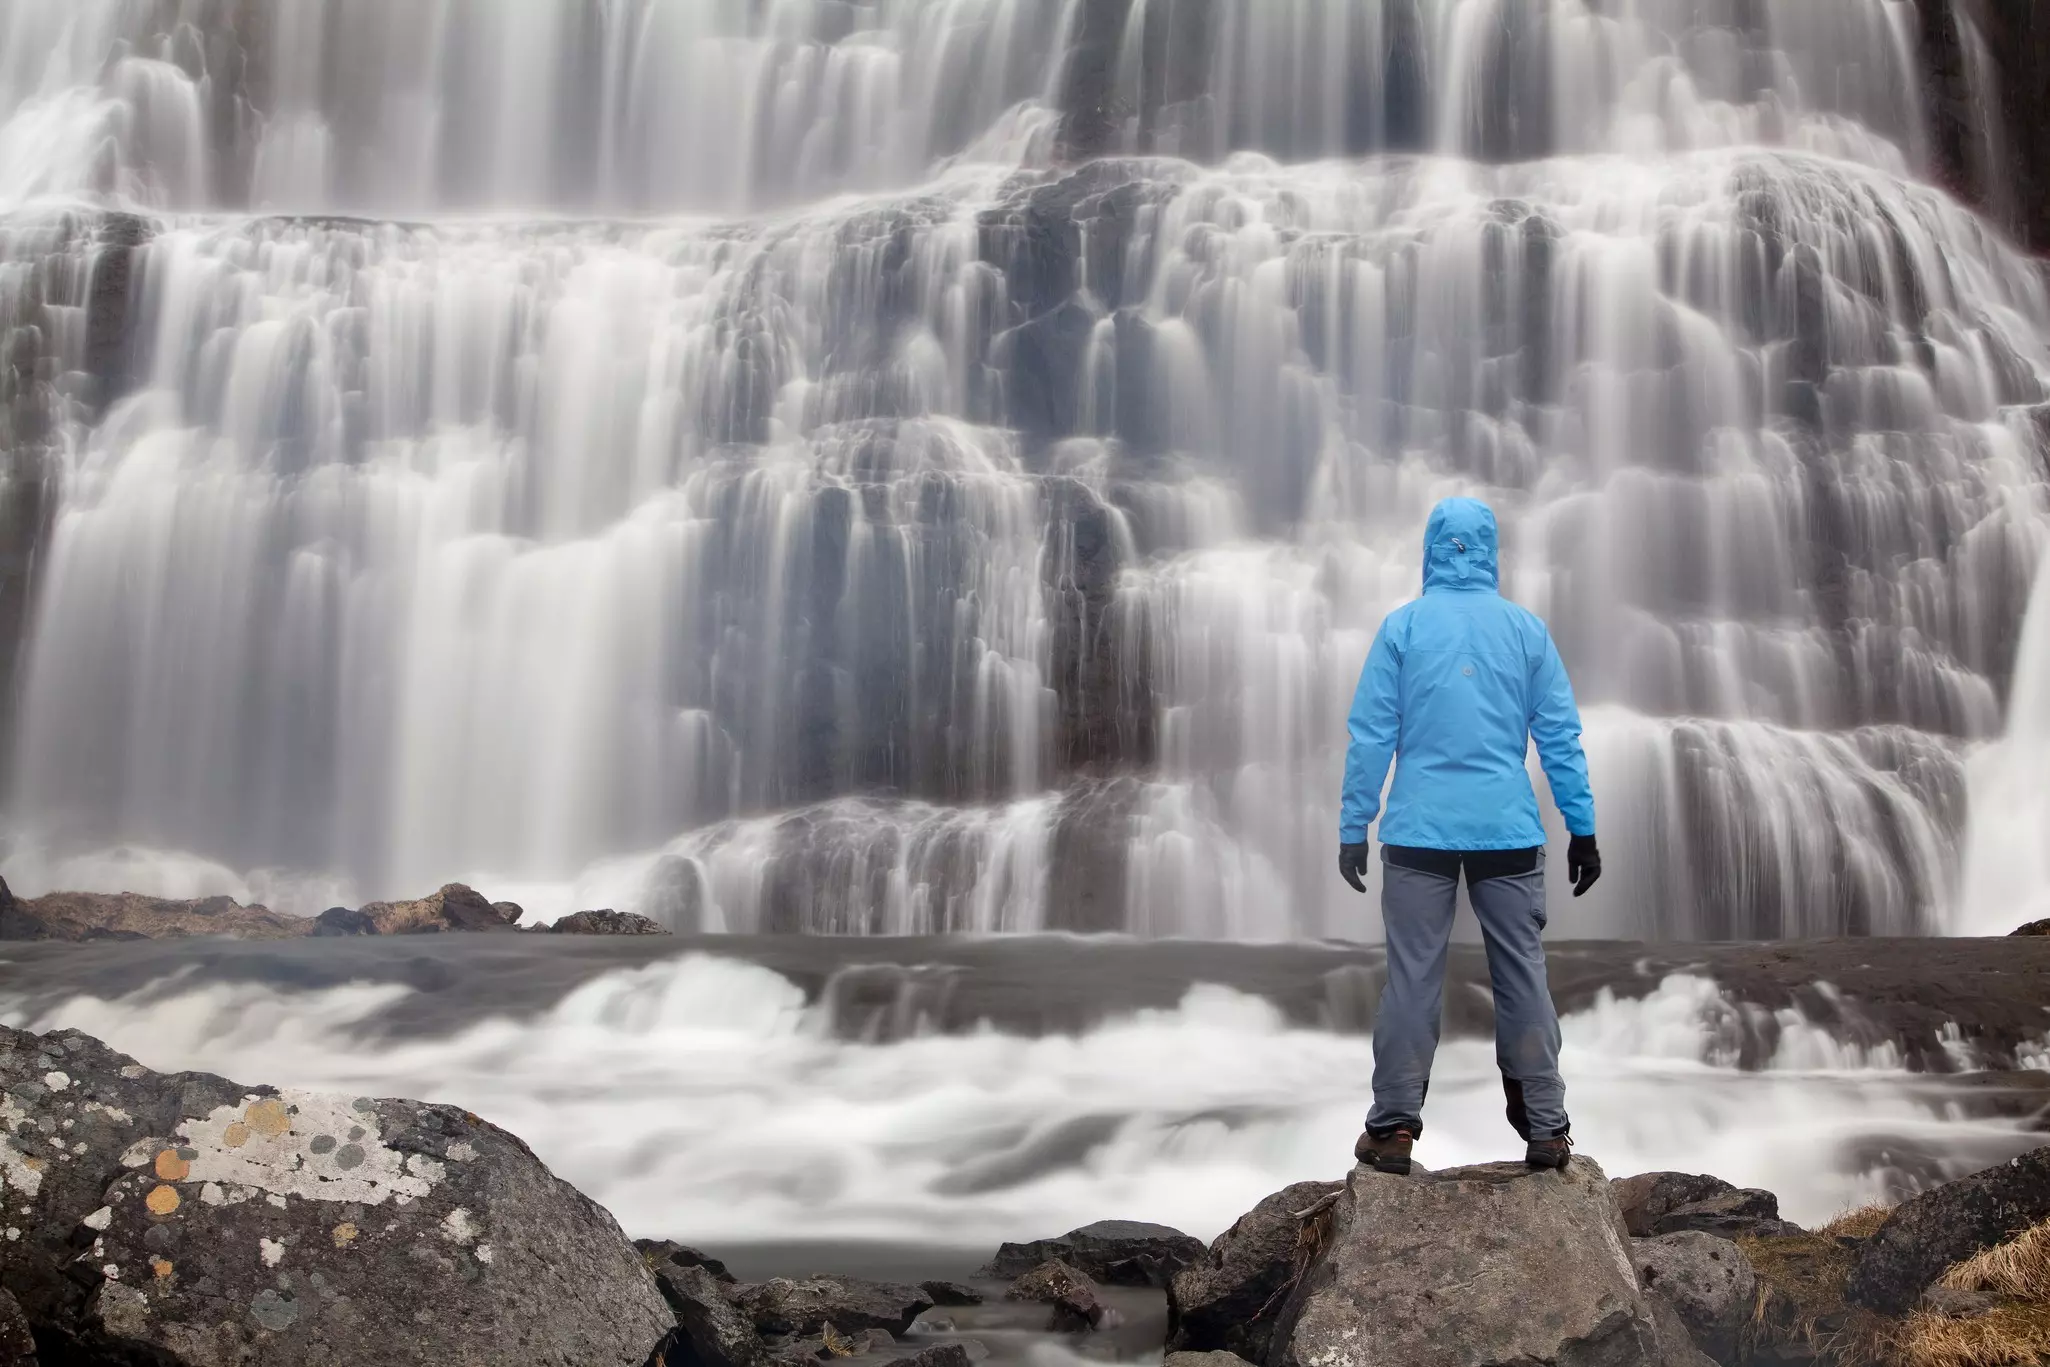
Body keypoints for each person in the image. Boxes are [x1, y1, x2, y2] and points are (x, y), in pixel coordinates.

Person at [1337, 496, 1599, 1176]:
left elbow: (1371, 736)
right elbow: (1560, 738)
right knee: (1523, 975)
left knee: (1412, 980)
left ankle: (1393, 1127)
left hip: (1419, 831)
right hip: (1506, 830)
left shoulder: (1402, 629)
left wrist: (1353, 825)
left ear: (1430, 549)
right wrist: (1582, 826)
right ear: (1491, 551)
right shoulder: (1526, 630)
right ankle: (1546, 1127)